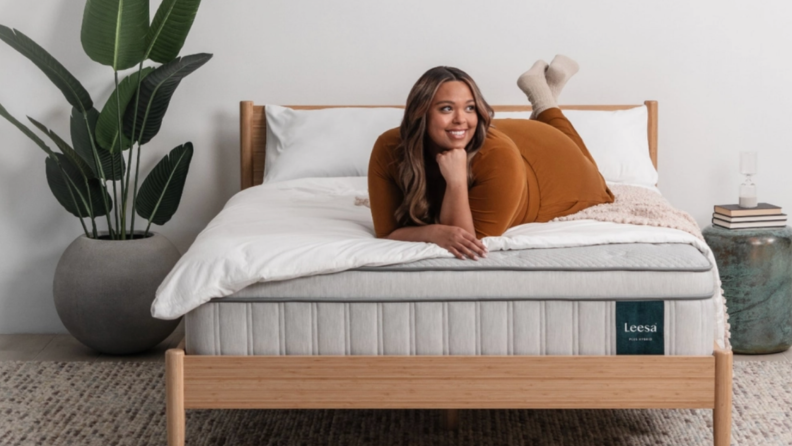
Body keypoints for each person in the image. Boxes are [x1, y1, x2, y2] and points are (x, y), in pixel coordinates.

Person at [368, 55, 614, 260]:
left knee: (595, 178)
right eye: (446, 108)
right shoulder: (389, 147)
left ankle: (544, 98)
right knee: (481, 137)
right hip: (509, 139)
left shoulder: (497, 156)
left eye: (470, 107)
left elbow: (465, 240)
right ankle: (546, 96)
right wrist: (433, 233)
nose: (461, 119)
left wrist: (455, 180)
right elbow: (388, 232)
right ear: (420, 114)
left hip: (542, 173)